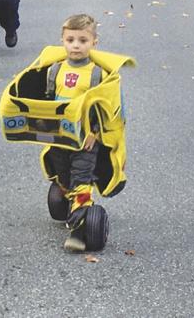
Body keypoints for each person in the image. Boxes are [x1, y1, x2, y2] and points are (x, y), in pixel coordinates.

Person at [40, 14, 128, 252]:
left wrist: (96, 133)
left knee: (81, 178)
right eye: (70, 40)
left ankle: (78, 231)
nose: (76, 45)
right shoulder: (55, 70)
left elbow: (107, 109)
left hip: (87, 140)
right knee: (64, 177)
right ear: (62, 41)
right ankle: (66, 199)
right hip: (60, 139)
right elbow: (47, 103)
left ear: (94, 42)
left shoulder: (98, 74)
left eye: (82, 40)